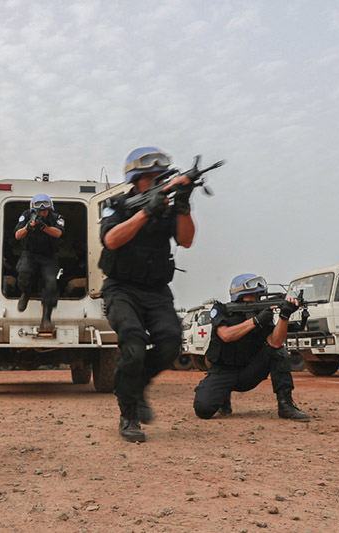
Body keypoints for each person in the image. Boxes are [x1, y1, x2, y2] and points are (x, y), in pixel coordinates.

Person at [99, 146, 196, 442]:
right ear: (136, 179)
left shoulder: (168, 207)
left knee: (171, 342)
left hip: (156, 290)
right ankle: (129, 415)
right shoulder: (115, 204)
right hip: (121, 288)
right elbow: (111, 240)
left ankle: (136, 386)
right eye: (150, 176)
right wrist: (146, 211)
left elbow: (186, 240)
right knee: (134, 346)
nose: (158, 180)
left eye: (161, 175)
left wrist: (182, 207)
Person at [192, 273, 310, 421]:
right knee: (203, 410)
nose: (256, 296)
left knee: (278, 352)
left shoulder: (263, 315)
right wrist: (256, 320)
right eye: (252, 294)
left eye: (259, 294)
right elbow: (226, 335)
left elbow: (275, 342)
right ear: (239, 296)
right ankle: (223, 397)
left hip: (250, 372)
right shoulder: (221, 310)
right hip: (222, 372)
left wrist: (284, 316)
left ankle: (286, 405)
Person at [14, 194, 65, 332]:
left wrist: (44, 227)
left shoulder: (57, 218)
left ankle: (46, 318)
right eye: (39, 211)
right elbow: (17, 235)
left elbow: (58, 233)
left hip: (49, 256)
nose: (42, 213)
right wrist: (28, 228)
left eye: (45, 210)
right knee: (24, 273)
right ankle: (25, 293)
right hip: (30, 254)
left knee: (51, 282)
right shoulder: (26, 215)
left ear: (50, 209)